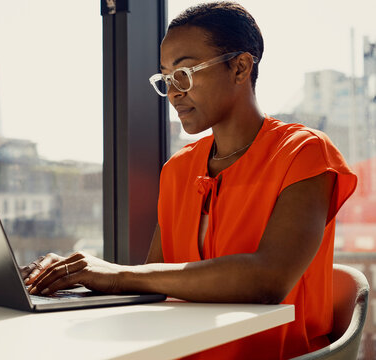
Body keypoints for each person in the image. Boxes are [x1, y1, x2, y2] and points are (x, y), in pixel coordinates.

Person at [21, 2, 357, 359]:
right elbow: (156, 283)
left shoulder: (304, 152)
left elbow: (267, 281)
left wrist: (117, 274)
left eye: (184, 73)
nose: (172, 92)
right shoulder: (178, 169)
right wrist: (70, 280)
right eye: (165, 78)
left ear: (240, 67)